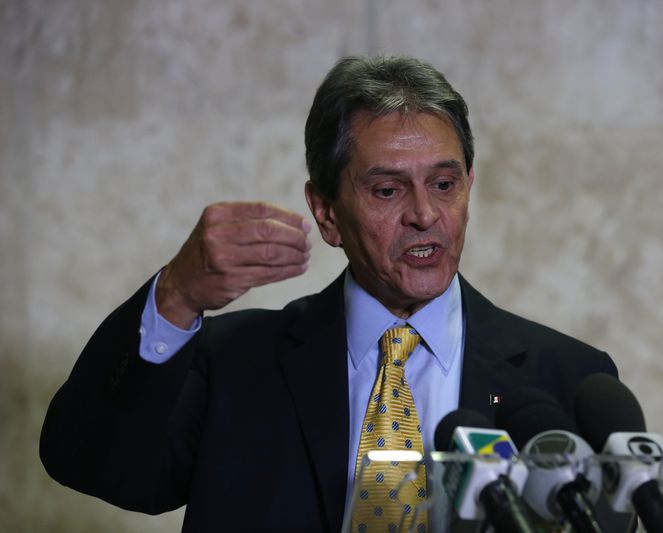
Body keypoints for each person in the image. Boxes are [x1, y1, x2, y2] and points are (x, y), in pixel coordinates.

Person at [40, 55, 618, 532]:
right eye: (388, 190)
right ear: (326, 213)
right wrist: (175, 296)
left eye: (444, 184)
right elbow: (90, 463)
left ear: (469, 186)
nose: (424, 214)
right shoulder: (233, 363)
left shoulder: (567, 381)